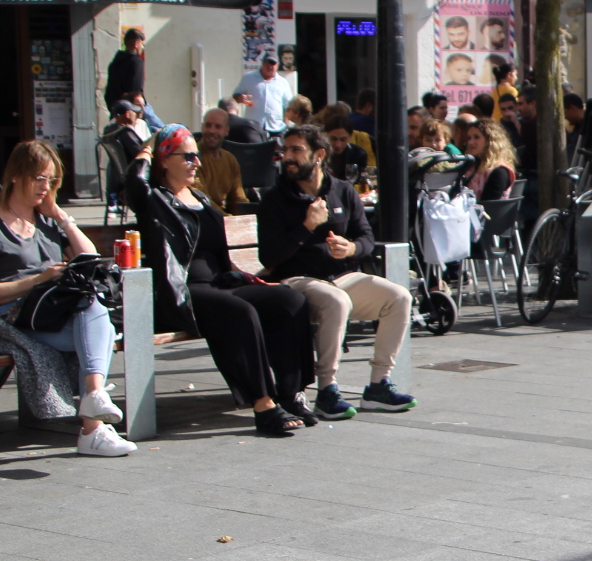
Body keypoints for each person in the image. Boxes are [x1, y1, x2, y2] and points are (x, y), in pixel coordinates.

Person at [127, 125, 314, 436]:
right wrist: (149, 146)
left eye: (196, 155)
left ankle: (290, 393)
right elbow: (134, 180)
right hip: (183, 291)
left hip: (221, 284)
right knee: (240, 312)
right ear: (164, 160)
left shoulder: (200, 198)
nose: (196, 162)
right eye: (187, 156)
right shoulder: (154, 200)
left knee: (289, 299)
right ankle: (264, 404)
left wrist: (245, 276)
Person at [0, 141, 134, 457]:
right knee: (99, 329)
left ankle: (93, 407)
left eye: (51, 180)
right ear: (16, 175)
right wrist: (38, 279)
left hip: (54, 310)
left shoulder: (45, 221)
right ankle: (92, 426)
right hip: (14, 316)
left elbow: (89, 257)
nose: (46, 187)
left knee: (93, 313)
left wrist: (60, 215)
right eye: (39, 178)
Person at [258, 126, 415, 420]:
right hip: (296, 280)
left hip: (341, 276)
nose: (287, 157)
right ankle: (327, 390)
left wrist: (351, 248)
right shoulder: (275, 199)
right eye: (286, 150)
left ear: (319, 155)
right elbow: (269, 257)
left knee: (399, 297)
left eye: (296, 150)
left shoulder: (342, 190)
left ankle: (378, 385)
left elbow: (366, 237)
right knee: (336, 301)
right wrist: (306, 226)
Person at [192, 108, 247, 211]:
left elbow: (239, 199)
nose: (212, 131)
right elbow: (203, 200)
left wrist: (248, 216)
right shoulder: (194, 158)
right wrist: (226, 218)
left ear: (226, 130)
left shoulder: (230, 160)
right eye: (208, 125)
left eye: (218, 127)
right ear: (202, 127)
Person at [234, 55, 292, 134]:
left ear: (277, 65)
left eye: (273, 63)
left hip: (276, 127)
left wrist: (286, 126)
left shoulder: (283, 82)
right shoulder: (248, 78)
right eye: (267, 63)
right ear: (262, 63)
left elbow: (288, 106)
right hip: (253, 126)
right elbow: (235, 96)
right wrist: (240, 98)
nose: (269, 66)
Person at [462, 118, 517, 201]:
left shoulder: (499, 171)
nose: (470, 142)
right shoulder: (471, 165)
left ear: (490, 140)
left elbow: (488, 204)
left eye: (476, 137)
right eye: (469, 138)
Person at [104, 29, 146, 115]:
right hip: (132, 110)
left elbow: (109, 92)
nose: (142, 47)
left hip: (116, 109)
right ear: (136, 44)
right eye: (142, 44)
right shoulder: (136, 62)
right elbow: (136, 90)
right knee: (156, 122)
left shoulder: (115, 63)